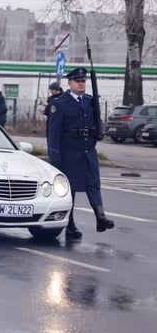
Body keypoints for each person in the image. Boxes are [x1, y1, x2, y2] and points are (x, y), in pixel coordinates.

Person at [47, 67, 115, 240]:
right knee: (71, 191)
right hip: (70, 153)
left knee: (94, 184)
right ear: (69, 83)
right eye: (78, 81)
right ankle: (70, 225)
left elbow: (97, 118)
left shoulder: (90, 101)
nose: (81, 84)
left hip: (88, 151)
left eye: (83, 81)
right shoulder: (60, 103)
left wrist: (100, 130)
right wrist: (55, 157)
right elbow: (53, 133)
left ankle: (100, 217)